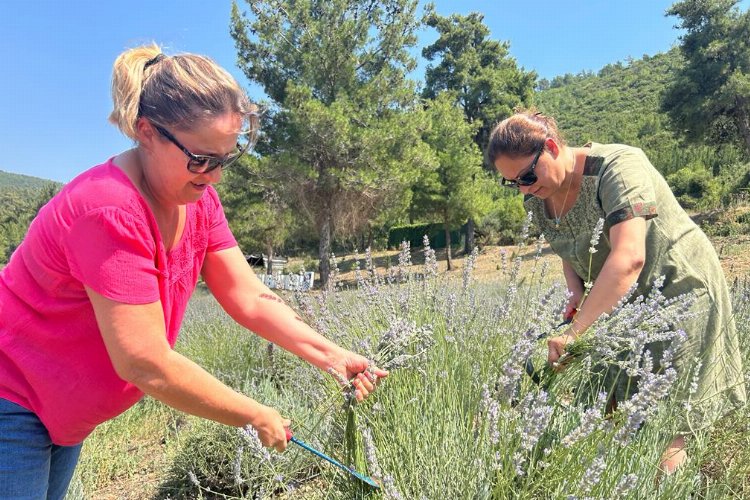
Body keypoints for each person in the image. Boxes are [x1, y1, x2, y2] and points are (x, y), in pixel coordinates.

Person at [0, 44, 386, 499]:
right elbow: (145, 362)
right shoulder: (108, 210)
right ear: (146, 131)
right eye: (201, 159)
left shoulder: (196, 198)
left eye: (226, 158)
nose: (214, 176)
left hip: (58, 414)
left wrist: (331, 355)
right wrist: (253, 414)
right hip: (13, 402)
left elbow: (246, 294)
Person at [486, 109, 746, 473]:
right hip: (617, 301)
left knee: (665, 416)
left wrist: (575, 334)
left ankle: (672, 485)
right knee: (610, 404)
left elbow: (629, 257)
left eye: (528, 175)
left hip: (678, 287)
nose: (525, 188)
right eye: (513, 183)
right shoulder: (537, 196)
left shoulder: (618, 166)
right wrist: (576, 292)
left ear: (551, 146)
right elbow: (568, 247)